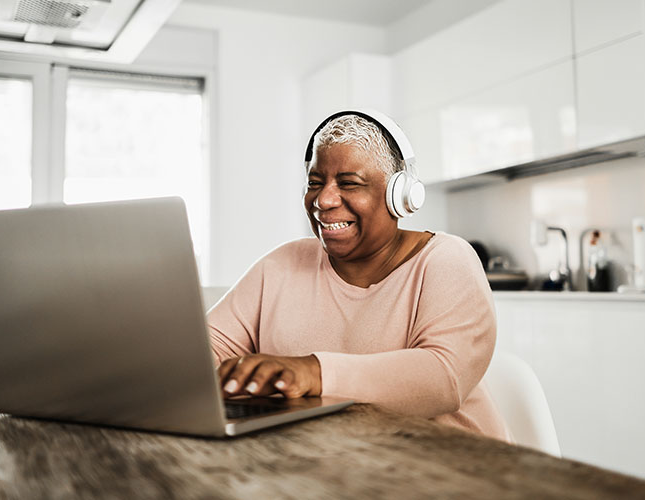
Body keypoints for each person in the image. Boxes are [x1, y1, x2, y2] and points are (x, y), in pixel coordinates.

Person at [206, 110, 510, 440]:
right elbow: (202, 347)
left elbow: (443, 378)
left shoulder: (445, 260)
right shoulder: (281, 265)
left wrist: (314, 372)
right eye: (315, 183)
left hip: (453, 472)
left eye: (349, 183)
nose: (323, 200)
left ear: (400, 195)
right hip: (328, 467)